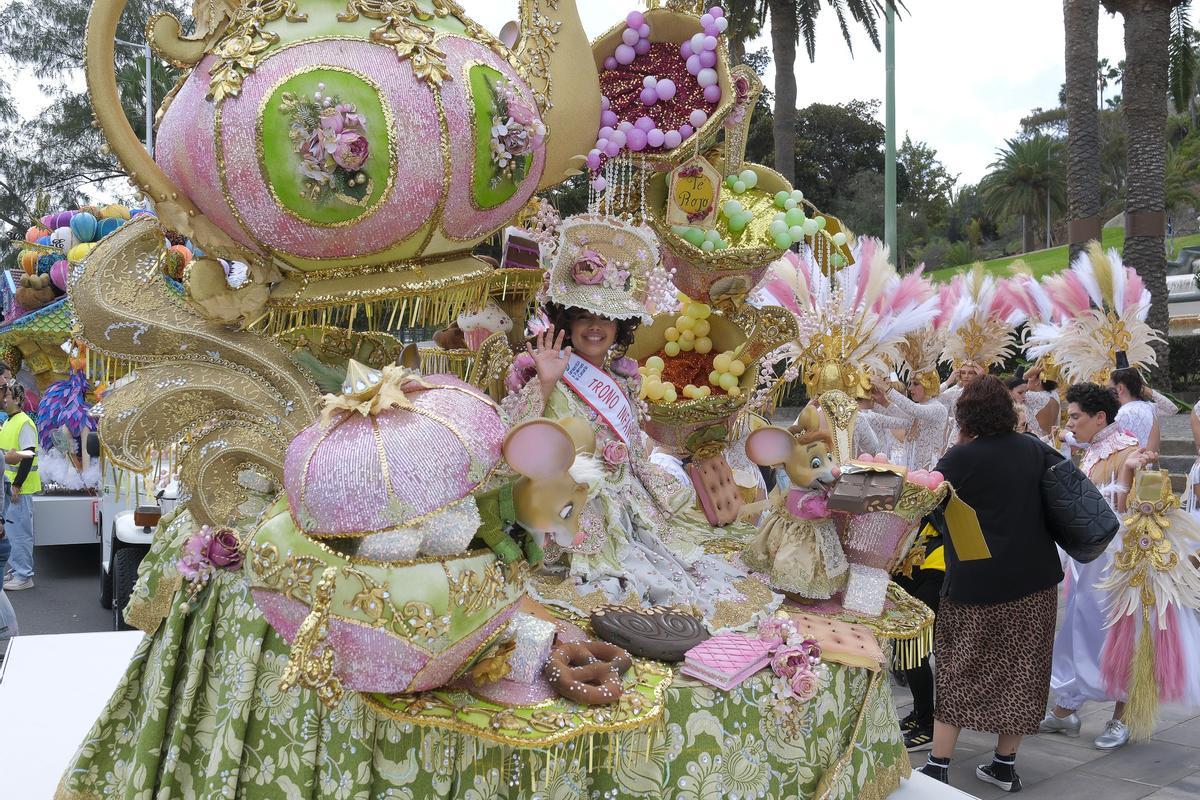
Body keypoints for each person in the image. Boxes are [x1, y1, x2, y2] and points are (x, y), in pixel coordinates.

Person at [503, 215, 776, 629]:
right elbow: (512, 439)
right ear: (568, 323)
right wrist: (544, 381)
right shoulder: (545, 370)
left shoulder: (624, 379)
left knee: (675, 561)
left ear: (619, 327)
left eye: (606, 318)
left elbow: (630, 449)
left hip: (625, 493)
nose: (595, 327)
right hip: (572, 500)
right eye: (584, 316)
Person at [919, 376, 1063, 793]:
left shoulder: (960, 458)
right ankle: (1004, 765)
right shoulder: (1034, 448)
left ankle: (938, 764)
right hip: (1036, 579)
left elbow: (927, 505)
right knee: (1023, 668)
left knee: (959, 666)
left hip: (976, 581)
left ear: (964, 415)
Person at [1040, 383, 1148, 749]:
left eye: (1076, 417)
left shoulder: (1128, 449)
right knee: (1077, 629)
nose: (1071, 424)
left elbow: (1133, 510)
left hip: (1117, 561)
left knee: (1116, 633)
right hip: (1089, 560)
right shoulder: (1095, 449)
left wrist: (1131, 475)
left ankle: (1123, 716)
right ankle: (1066, 709)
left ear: (1100, 417)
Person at [1, 382, 39, 591]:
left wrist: (17, 485)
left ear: (17, 399)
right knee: (11, 531)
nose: (3, 399)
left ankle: (24, 575)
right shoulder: (9, 421)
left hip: (19, 489)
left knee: (20, 533)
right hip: (10, 488)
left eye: (6, 395)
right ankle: (17, 570)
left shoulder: (23, 422)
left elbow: (28, 455)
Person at [872, 372, 950, 471]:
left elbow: (913, 409)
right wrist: (882, 402)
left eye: (916, 384)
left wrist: (887, 389)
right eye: (910, 384)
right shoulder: (920, 409)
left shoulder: (938, 408)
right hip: (909, 466)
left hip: (928, 471)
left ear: (929, 384)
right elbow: (902, 416)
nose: (910, 388)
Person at [1109, 366, 1170, 450]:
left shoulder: (1121, 414)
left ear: (1120, 388)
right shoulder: (1149, 407)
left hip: (1132, 461)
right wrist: (1147, 391)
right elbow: (1171, 409)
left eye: (1111, 389)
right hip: (1148, 460)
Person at [936, 361, 983, 448]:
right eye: (963, 372)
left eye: (971, 373)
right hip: (955, 440)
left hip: (977, 439)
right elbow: (932, 397)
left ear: (977, 375)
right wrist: (948, 382)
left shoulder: (983, 393)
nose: (966, 376)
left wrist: (982, 380)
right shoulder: (955, 392)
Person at [1023, 363, 1059, 440]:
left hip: (1037, 444)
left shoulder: (1032, 397)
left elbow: (1009, 389)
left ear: (1038, 381)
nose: (1028, 380)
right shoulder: (1054, 394)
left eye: (1031, 376)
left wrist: (1025, 375)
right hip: (1051, 443)